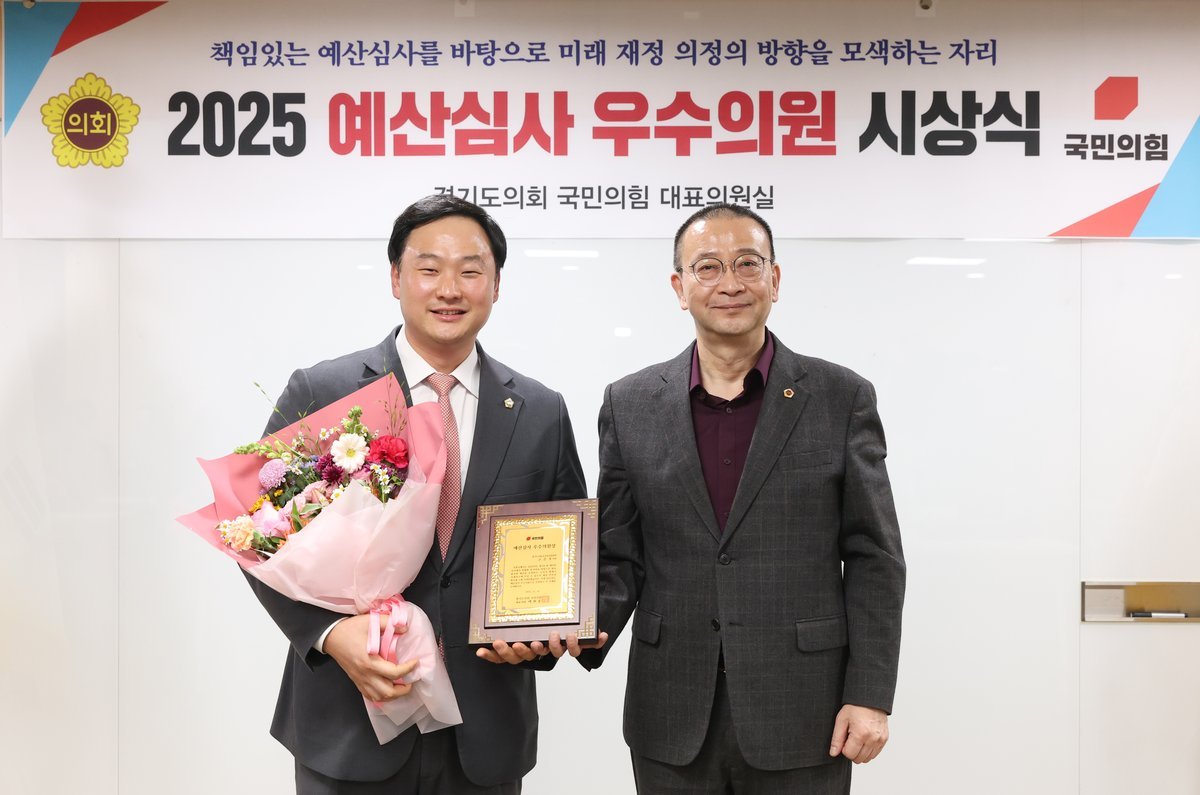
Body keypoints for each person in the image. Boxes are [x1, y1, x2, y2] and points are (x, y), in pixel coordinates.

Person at [246, 194, 588, 794]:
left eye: (471, 271)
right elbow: (254, 533)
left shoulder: (540, 411)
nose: (449, 289)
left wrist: (545, 636)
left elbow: (567, 556)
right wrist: (330, 635)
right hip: (350, 719)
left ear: (497, 285)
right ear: (396, 278)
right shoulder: (324, 391)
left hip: (484, 731)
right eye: (429, 269)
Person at [579, 203, 906, 793]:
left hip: (805, 710)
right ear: (679, 288)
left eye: (747, 264)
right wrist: (570, 628)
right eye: (707, 267)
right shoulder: (628, 404)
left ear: (774, 280)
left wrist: (870, 694)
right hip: (671, 707)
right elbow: (619, 553)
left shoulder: (840, 397)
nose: (729, 283)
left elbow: (874, 557)